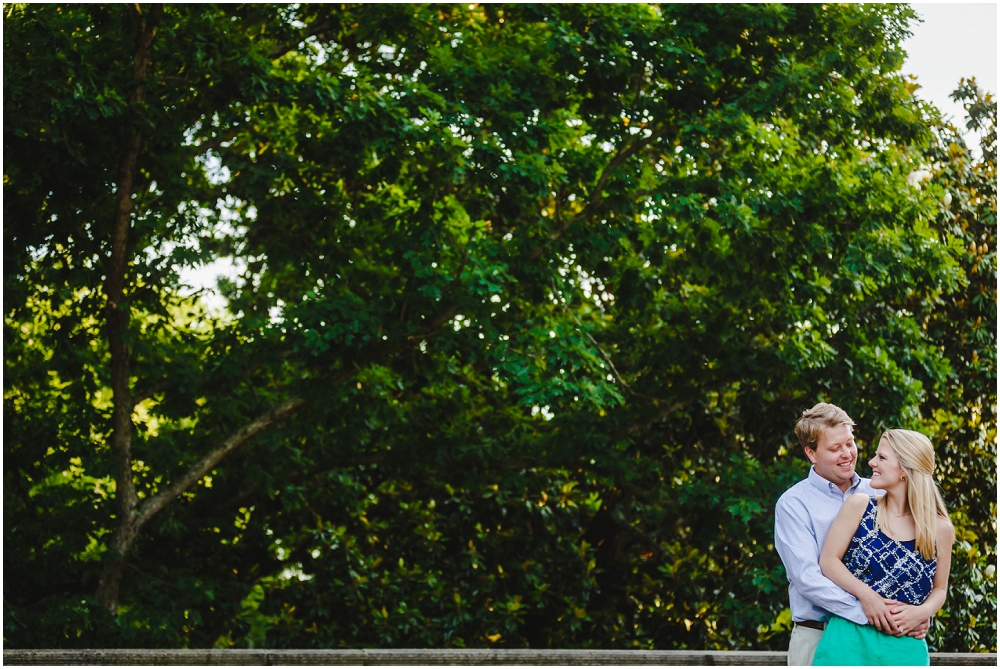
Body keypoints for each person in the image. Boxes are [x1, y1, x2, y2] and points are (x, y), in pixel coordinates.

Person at [774, 403, 928, 666]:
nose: (847, 454)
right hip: (817, 635)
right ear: (811, 453)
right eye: (835, 449)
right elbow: (807, 579)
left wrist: (916, 612)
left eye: (850, 443)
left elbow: (914, 559)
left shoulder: (881, 490)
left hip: (887, 638)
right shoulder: (793, 504)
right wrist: (868, 608)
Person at [812, 429, 955, 666]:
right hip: (847, 639)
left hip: (905, 646)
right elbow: (828, 561)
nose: (871, 462)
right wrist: (868, 597)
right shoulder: (860, 506)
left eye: (882, 457)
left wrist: (922, 613)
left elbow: (940, 589)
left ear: (905, 470)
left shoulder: (940, 528)